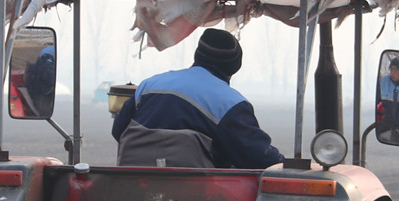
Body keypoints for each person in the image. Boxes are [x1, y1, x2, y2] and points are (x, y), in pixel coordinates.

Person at [111, 27, 282, 168]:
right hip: (199, 198)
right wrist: (285, 165)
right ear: (233, 68)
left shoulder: (148, 85)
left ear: (197, 56)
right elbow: (257, 158)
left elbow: (118, 131)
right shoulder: (230, 104)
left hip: (131, 187)